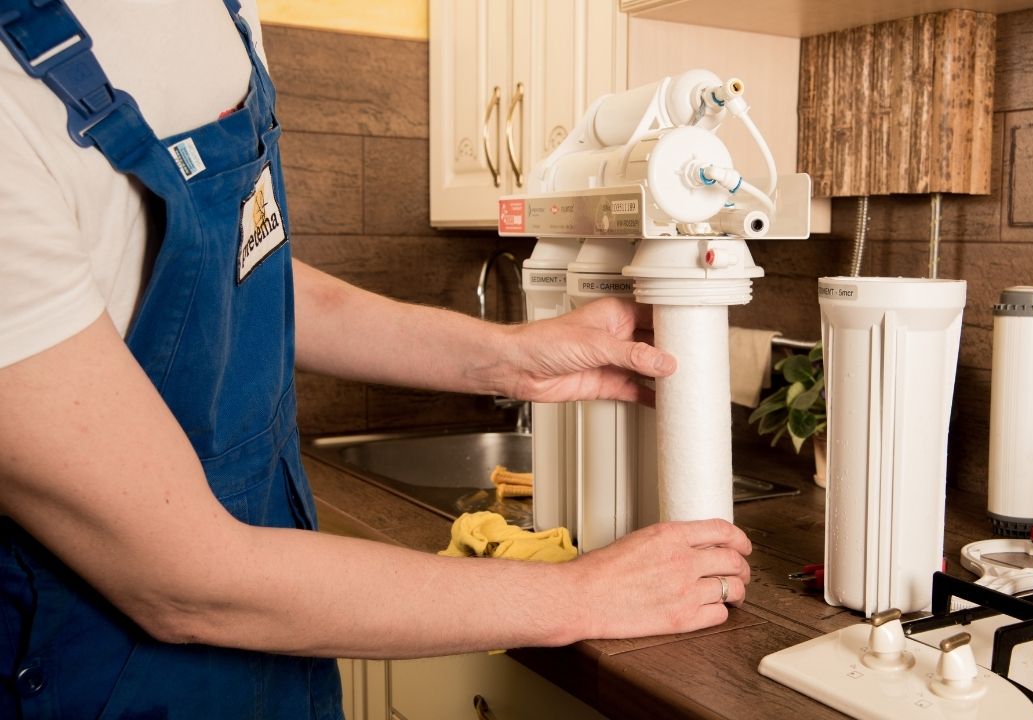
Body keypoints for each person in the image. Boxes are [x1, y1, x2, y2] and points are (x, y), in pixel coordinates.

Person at [0, 0, 753, 716]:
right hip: (97, 676)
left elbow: (247, 274)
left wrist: (508, 357)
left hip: (273, 659)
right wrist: (583, 596)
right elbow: (185, 581)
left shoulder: (226, 17)